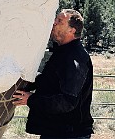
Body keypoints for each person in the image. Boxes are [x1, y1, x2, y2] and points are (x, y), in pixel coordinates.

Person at [13, 9, 94, 139]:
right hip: (56, 131)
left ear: (71, 30)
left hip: (70, 134)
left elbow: (67, 101)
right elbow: (49, 81)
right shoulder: (62, 52)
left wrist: (31, 99)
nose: (54, 23)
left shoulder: (75, 57)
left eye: (59, 21)